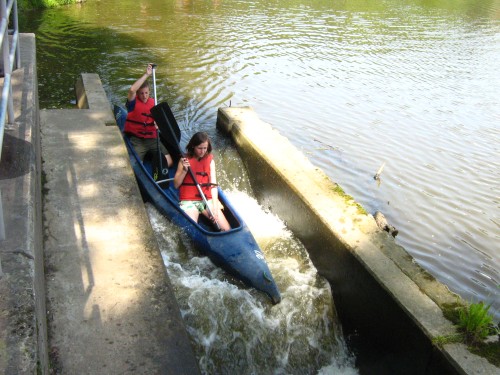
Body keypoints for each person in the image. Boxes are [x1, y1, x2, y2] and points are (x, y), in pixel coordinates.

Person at [173, 132, 231, 231]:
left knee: (227, 229)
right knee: (192, 229)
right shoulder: (184, 161)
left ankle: (205, 211)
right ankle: (200, 212)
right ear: (193, 146)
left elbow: (213, 186)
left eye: (205, 148)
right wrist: (184, 171)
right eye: (200, 148)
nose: (203, 151)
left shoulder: (210, 161)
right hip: (189, 200)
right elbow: (176, 185)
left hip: (206, 199)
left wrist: (215, 209)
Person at [124, 63, 173, 168]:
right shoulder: (132, 103)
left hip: (152, 138)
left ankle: (156, 168)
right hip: (137, 140)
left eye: (146, 93)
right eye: (141, 93)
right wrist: (147, 74)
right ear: (138, 94)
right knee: (137, 166)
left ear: (150, 92)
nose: (144, 96)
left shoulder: (154, 103)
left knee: (169, 162)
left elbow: (161, 122)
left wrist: (158, 124)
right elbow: (132, 90)